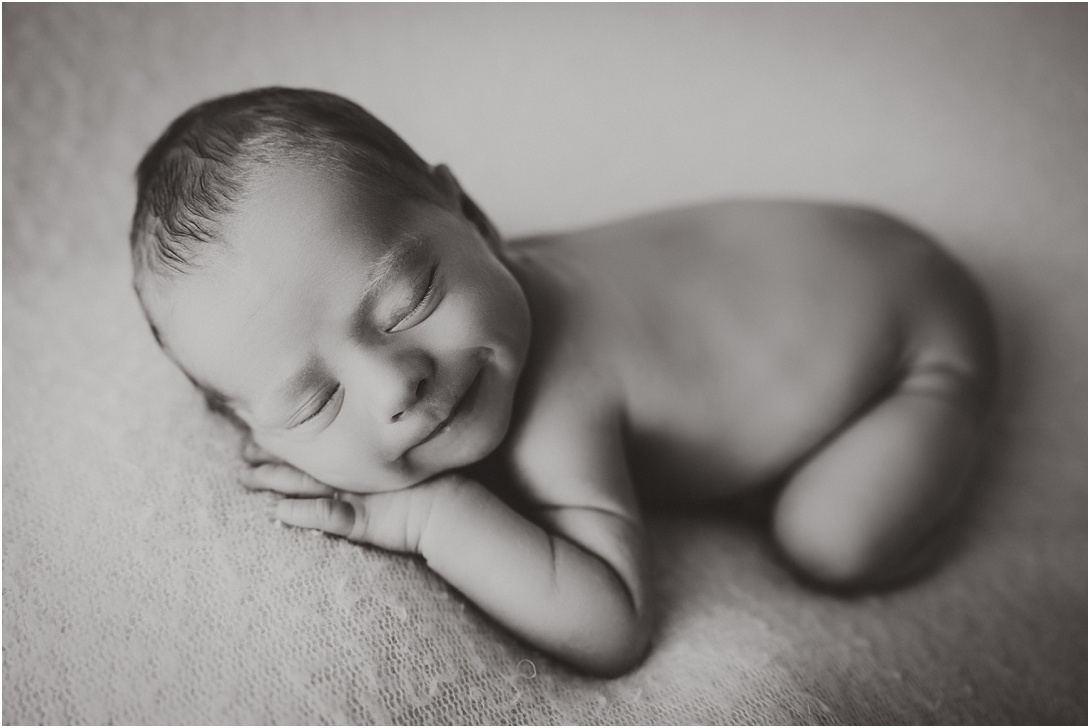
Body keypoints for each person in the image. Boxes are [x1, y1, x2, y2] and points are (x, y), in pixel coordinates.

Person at [130, 87, 999, 676]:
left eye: (409, 300)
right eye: (312, 402)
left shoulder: (559, 398)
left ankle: (952, 403)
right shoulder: (488, 292)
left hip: (913, 334)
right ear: (252, 436)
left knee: (829, 538)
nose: (398, 381)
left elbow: (612, 624)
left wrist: (426, 513)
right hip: (842, 247)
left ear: (473, 218)